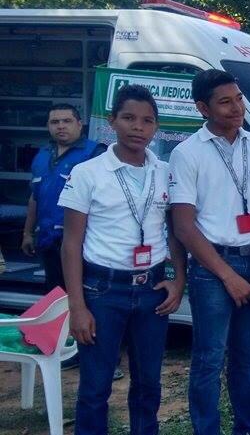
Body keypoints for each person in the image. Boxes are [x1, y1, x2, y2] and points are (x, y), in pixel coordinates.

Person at [59, 84, 186, 435]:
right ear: (112, 121)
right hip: (102, 291)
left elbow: (175, 231)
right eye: (128, 118)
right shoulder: (88, 173)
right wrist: (77, 306)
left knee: (148, 385)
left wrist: (179, 280)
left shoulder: (164, 172)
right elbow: (71, 244)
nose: (137, 127)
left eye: (147, 121)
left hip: (153, 291)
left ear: (156, 128)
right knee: (95, 386)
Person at [169, 69, 250, 435]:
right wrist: (228, 276)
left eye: (239, 99)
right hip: (213, 268)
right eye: (225, 101)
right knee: (209, 360)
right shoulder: (187, 153)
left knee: (246, 359)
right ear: (203, 108)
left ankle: (249, 428)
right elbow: (183, 225)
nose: (236, 108)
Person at [22, 103, 105, 291]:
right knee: (56, 302)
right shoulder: (42, 156)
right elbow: (35, 197)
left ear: (79, 124)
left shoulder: (96, 153)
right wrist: (27, 233)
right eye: (55, 122)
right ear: (48, 126)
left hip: (83, 245)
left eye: (67, 121)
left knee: (83, 303)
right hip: (48, 242)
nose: (60, 126)